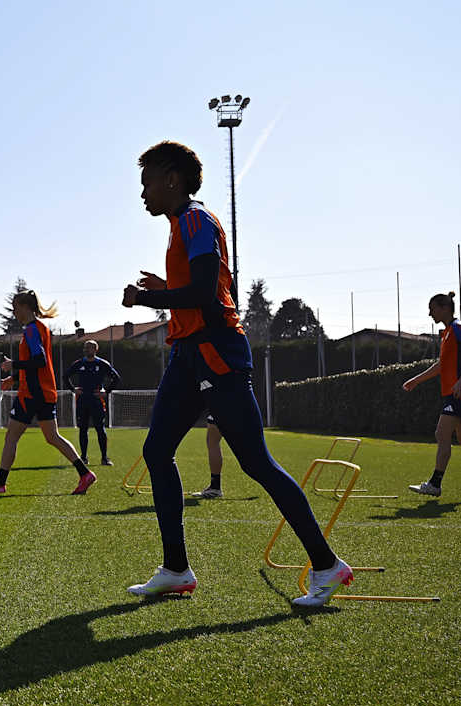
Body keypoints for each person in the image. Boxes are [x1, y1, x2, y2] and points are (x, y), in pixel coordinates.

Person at [121, 141, 349, 607]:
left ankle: (327, 566)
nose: (142, 192)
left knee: (256, 463)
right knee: (156, 449)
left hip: (216, 354)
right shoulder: (180, 226)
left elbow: (206, 293)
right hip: (189, 354)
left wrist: (146, 300)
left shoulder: (197, 220)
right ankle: (176, 569)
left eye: (147, 182)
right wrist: (167, 290)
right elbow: (197, 287)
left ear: (171, 179)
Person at [0, 291, 97, 495]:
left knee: (11, 436)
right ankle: (85, 474)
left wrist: (12, 364)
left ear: (24, 307)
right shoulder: (40, 328)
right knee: (52, 437)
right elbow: (37, 366)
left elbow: (38, 361)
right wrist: (14, 378)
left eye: (16, 307)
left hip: (32, 394)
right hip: (43, 392)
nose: (14, 312)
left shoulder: (31, 331)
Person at [402, 292, 461, 502]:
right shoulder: (446, 334)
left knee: (442, 433)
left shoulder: (459, 328)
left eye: (432, 308)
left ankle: (435, 484)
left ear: (444, 308)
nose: (429, 313)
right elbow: (442, 365)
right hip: (457, 392)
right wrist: (416, 380)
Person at [65, 339, 119, 465]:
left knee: (100, 429)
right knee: (83, 429)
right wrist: (73, 389)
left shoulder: (102, 364)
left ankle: (104, 458)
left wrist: (106, 391)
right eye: (85, 347)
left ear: (96, 349)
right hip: (83, 401)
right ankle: (83, 457)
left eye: (90, 347)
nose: (87, 349)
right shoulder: (78, 364)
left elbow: (116, 378)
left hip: (97, 401)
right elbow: (65, 376)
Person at [191, 413, 224, 499]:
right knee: (212, 440)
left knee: (213, 440)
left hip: (224, 405)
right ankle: (215, 486)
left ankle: (215, 487)